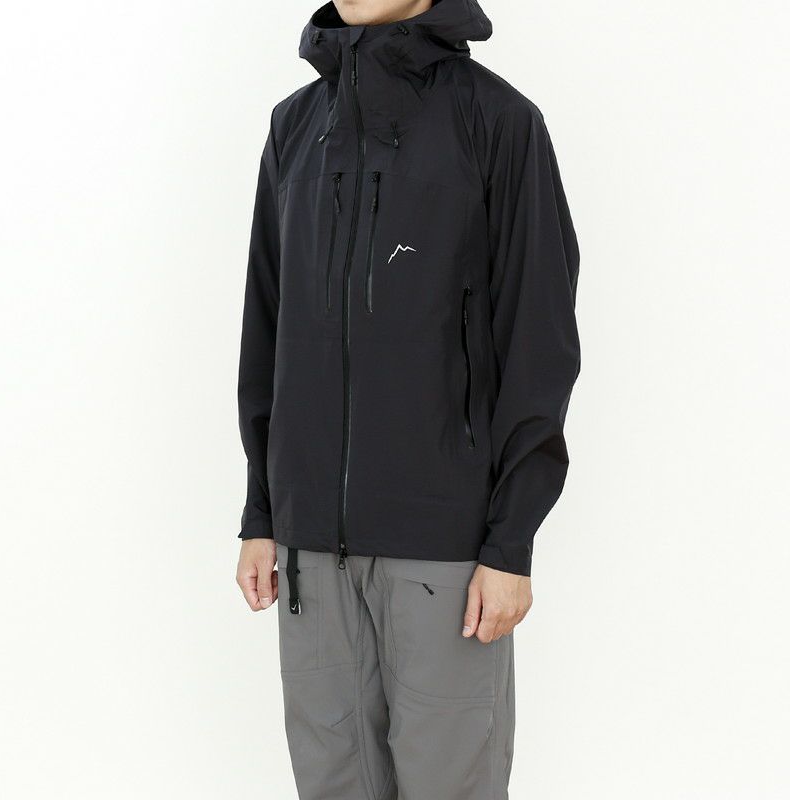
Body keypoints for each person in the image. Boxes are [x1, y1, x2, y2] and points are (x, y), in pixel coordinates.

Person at [235, 0, 580, 796]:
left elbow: (539, 344)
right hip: (309, 554)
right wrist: (262, 514)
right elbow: (267, 327)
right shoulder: (294, 127)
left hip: (445, 551)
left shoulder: (499, 122)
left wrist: (510, 543)